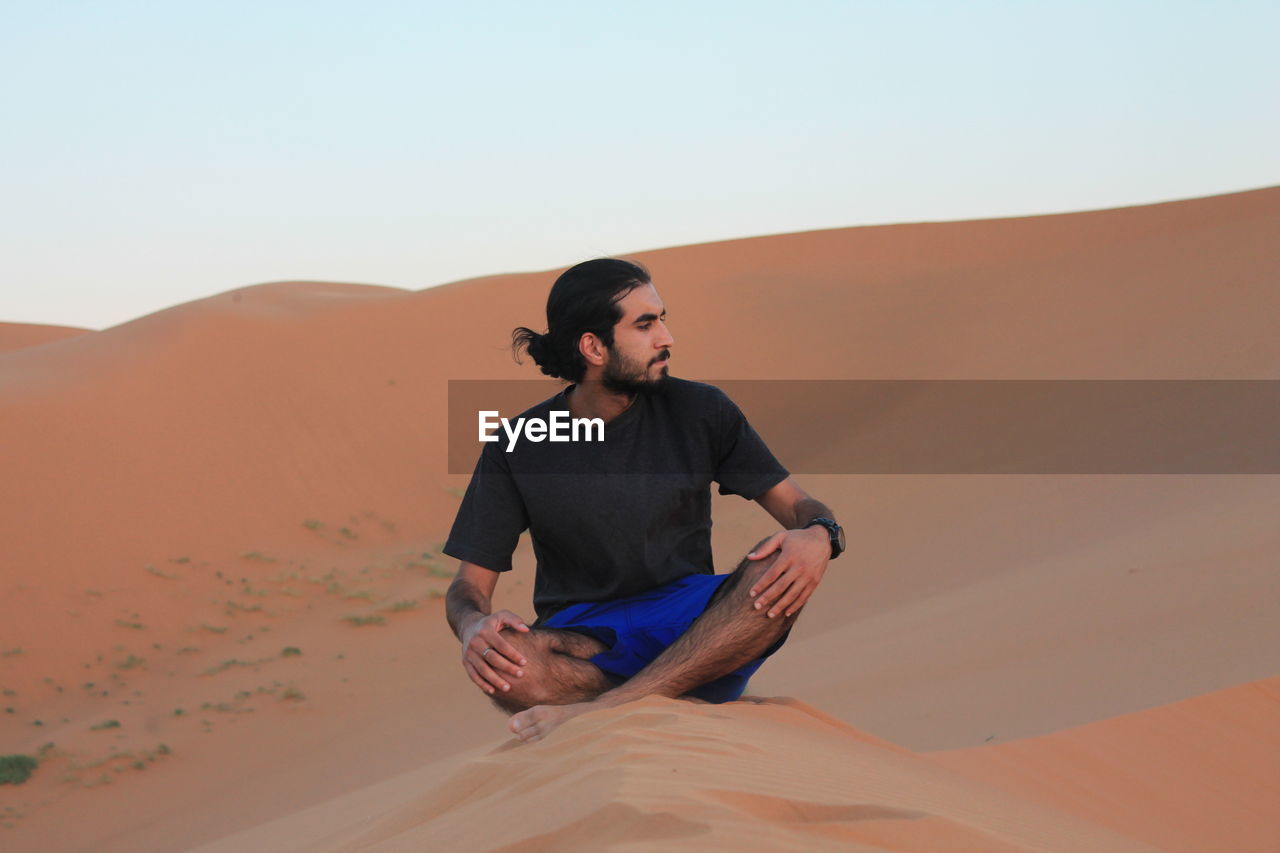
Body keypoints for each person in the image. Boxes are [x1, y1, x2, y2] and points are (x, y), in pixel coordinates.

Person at [444, 258, 845, 743]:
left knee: (781, 561)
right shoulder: (519, 444)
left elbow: (798, 507)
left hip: (692, 623)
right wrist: (472, 627)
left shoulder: (701, 411)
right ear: (593, 346)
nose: (667, 338)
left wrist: (820, 535)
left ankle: (610, 706)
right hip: (587, 638)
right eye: (645, 324)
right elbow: (469, 586)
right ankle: (674, 692)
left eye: (662, 318)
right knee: (507, 659)